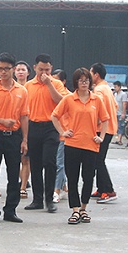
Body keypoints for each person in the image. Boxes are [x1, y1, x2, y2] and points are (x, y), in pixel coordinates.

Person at [51, 68, 109, 224]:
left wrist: (101, 137)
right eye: (81, 80)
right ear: (76, 82)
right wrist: (63, 132)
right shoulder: (69, 99)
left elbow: (105, 119)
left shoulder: (96, 100)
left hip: (90, 145)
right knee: (73, 178)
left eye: (87, 80)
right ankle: (75, 210)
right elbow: (54, 116)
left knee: (88, 178)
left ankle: (84, 208)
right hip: (72, 144)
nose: (84, 83)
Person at [0, 52, 29, 223]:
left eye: (6, 69)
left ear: (13, 69)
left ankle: (10, 210)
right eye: (0, 69)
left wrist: (25, 140)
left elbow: (24, 116)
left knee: (13, 174)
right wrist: (2, 120)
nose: (3, 72)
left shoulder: (22, 91)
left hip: (14, 137)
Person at [24, 54, 69, 213]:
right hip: (34, 126)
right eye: (41, 69)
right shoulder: (28, 86)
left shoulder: (56, 83)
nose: (44, 72)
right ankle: (37, 199)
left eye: (47, 69)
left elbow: (62, 102)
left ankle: (49, 199)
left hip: (51, 127)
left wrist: (49, 84)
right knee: (35, 163)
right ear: (35, 67)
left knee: (49, 162)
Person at [89, 62, 119, 203]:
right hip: (110, 128)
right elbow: (115, 106)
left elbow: (97, 110)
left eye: (90, 72)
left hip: (102, 130)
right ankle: (101, 189)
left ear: (96, 75)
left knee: (98, 160)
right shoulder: (107, 88)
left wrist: (96, 124)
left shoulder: (99, 91)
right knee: (97, 160)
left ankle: (108, 190)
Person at [51, 69, 69, 203]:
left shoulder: (68, 97)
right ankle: (64, 186)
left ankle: (56, 191)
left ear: (63, 82)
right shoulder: (51, 94)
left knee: (60, 164)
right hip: (54, 133)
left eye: (56, 80)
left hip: (65, 135)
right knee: (56, 162)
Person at [14, 60, 32, 199]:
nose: (20, 72)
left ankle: (23, 187)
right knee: (15, 159)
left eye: (23, 69)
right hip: (13, 127)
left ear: (28, 72)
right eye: (18, 69)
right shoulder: (11, 88)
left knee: (26, 159)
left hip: (28, 125)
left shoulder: (31, 88)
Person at [113, 81, 128, 145]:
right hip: (115, 112)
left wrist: (123, 113)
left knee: (120, 126)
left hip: (120, 113)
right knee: (116, 126)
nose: (115, 88)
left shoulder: (123, 94)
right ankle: (117, 139)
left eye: (115, 87)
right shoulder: (115, 94)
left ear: (119, 87)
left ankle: (119, 140)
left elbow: (124, 104)